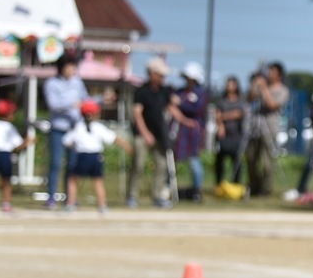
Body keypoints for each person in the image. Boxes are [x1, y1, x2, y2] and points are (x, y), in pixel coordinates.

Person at [126, 57, 188, 209]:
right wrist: (145, 133)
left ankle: (157, 196)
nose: (162, 78)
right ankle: (132, 196)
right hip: (142, 133)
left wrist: (184, 120)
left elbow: (171, 107)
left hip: (159, 133)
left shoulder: (164, 91)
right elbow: (137, 114)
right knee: (138, 164)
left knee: (161, 164)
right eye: (160, 74)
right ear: (152, 73)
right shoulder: (141, 91)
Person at [63, 100, 132, 213]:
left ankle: (70, 203)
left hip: (82, 156)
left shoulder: (78, 127)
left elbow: (66, 141)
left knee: (72, 180)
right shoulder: (98, 127)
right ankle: (102, 205)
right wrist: (127, 146)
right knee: (98, 181)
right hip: (96, 157)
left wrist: (74, 146)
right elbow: (114, 138)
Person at [42, 54, 90, 209]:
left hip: (74, 128)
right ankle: (51, 197)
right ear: (61, 67)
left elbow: (85, 101)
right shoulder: (51, 83)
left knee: (73, 165)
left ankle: (70, 198)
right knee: (55, 163)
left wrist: (102, 99)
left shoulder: (77, 83)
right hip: (58, 128)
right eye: (69, 67)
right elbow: (53, 105)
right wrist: (71, 104)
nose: (72, 70)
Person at [245, 61, 289, 197]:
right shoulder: (263, 85)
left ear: (279, 74)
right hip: (255, 127)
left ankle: (265, 189)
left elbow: (272, 105)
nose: (269, 74)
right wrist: (254, 85)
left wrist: (264, 89)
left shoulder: (282, 90)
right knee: (251, 158)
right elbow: (248, 99)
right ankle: (254, 186)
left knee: (266, 161)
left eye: (272, 71)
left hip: (270, 128)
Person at [0, 100, 33, 212]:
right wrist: (27, 141)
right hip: (5, 155)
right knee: (6, 180)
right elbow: (18, 145)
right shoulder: (10, 127)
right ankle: (6, 203)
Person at [174, 62, 208, 201]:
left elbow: (196, 109)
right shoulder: (180, 92)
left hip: (194, 132)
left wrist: (180, 104)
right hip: (179, 130)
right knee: (173, 158)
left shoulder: (200, 94)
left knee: (194, 160)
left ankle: (196, 189)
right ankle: (168, 187)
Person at [214, 76, 247, 186]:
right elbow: (217, 116)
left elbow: (239, 113)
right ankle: (219, 184)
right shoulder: (221, 101)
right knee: (220, 160)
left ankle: (236, 183)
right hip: (223, 135)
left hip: (236, 135)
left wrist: (223, 116)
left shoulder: (240, 101)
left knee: (236, 160)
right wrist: (221, 125)